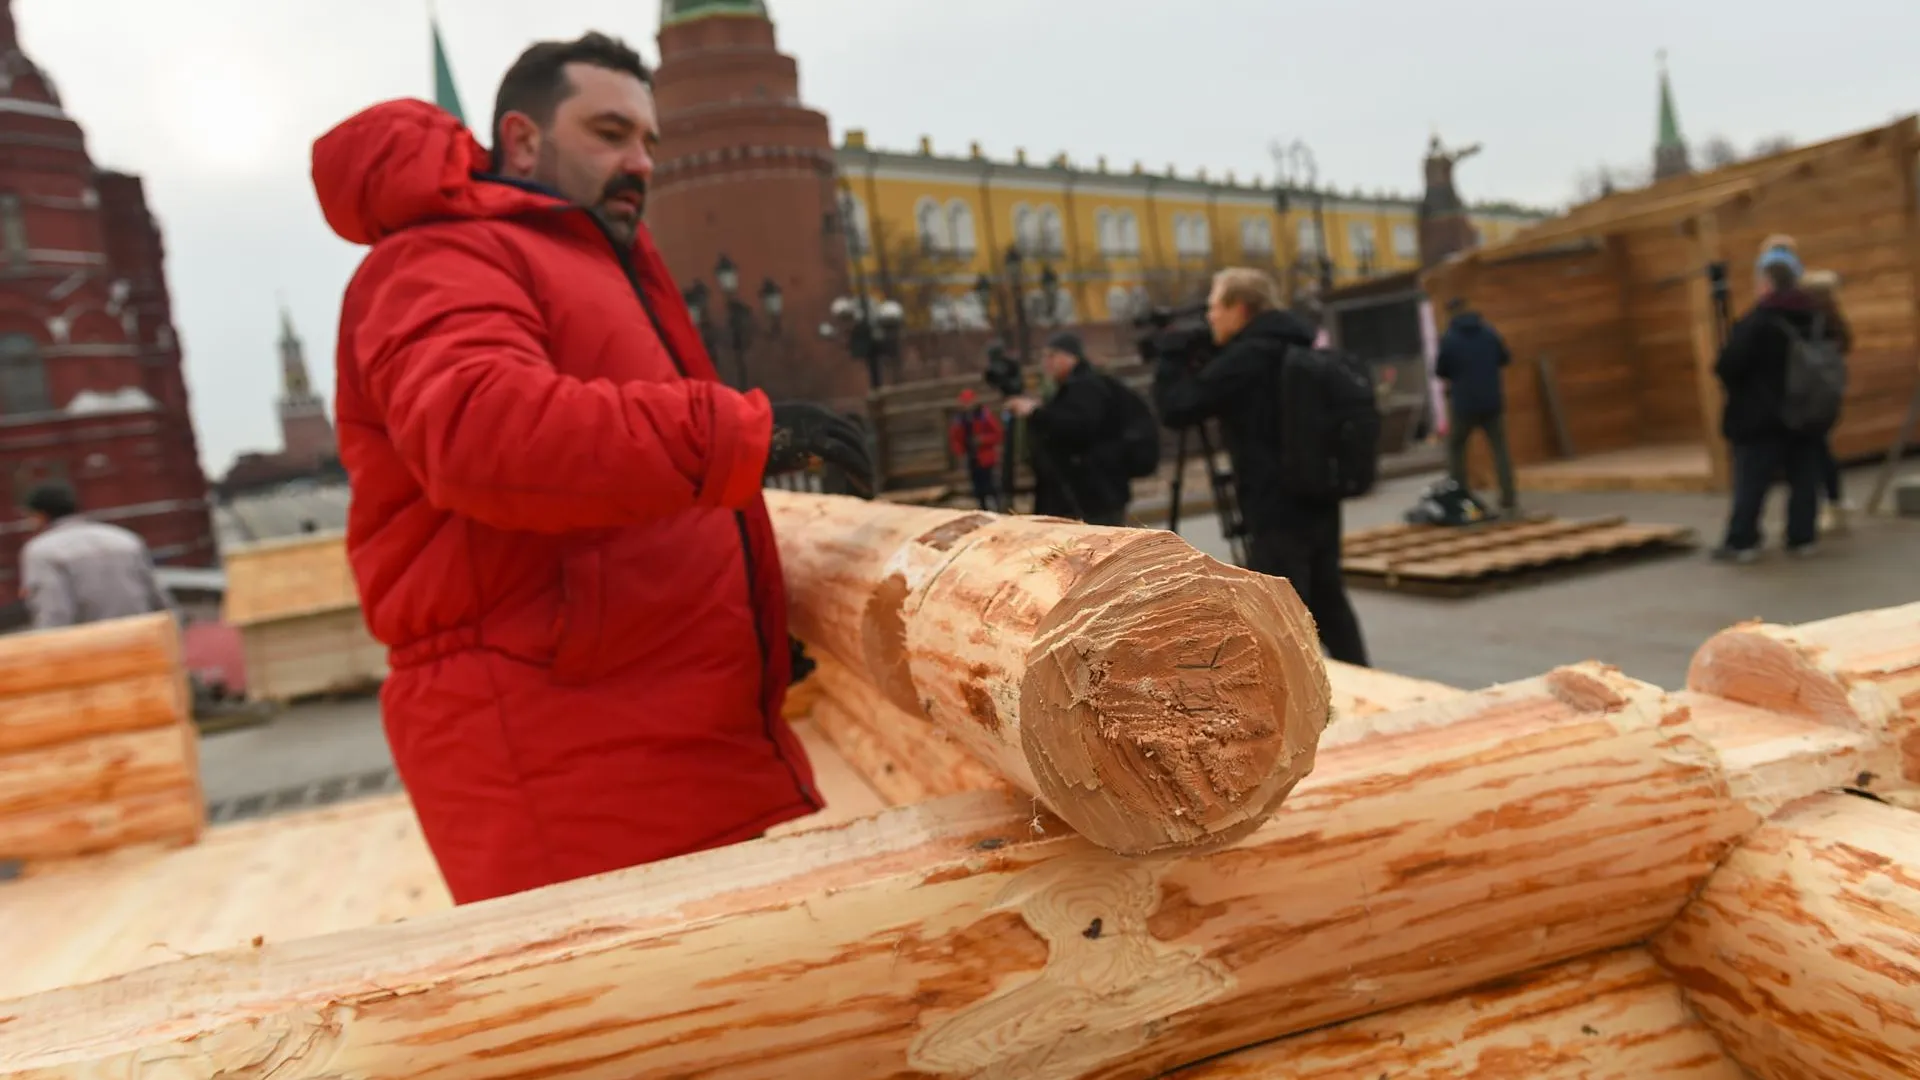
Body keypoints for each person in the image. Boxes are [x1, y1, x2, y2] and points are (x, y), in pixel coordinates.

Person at [309, 31, 873, 905]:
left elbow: (618, 517)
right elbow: (482, 431)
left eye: (650, 141)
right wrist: (734, 437)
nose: (639, 162)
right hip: (560, 761)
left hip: (642, 739)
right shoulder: (444, 255)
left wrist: (739, 635)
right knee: (649, 1027)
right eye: (610, 133)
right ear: (523, 138)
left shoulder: (582, 263)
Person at [1154, 268, 1369, 666]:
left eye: (1215, 308)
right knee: (1328, 598)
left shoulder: (1248, 358)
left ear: (1239, 308)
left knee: (1281, 612)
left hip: (1274, 503)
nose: (1210, 318)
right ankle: (1365, 685)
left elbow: (1178, 407)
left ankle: (1299, 705)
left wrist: (1169, 357)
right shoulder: (1293, 343)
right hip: (1317, 493)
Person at [1710, 243, 1834, 562]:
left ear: (1765, 281)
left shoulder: (1758, 322)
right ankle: (1802, 537)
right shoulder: (1816, 316)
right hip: (1807, 413)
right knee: (1805, 479)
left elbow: (1728, 365)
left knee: (1752, 483)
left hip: (1761, 417)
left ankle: (1743, 541)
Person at [1006, 332, 1132, 526]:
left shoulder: (1085, 386)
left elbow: (1077, 428)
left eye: (1052, 355)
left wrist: (1035, 413)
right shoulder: (1070, 387)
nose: (1046, 362)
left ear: (1070, 357)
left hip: (1094, 492)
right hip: (1080, 492)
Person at [17, 481, 172, 630]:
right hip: (142, 639)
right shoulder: (124, 538)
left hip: (91, 647)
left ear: (40, 515)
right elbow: (157, 597)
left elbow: (55, 612)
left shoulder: (42, 551)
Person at [1434, 297, 1517, 513]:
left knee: (1456, 447)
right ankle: (1508, 496)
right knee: (1500, 449)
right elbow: (1505, 358)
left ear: (1450, 314)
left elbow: (1440, 370)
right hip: (1492, 401)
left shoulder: (1450, 339)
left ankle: (1460, 496)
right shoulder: (1489, 333)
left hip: (1464, 404)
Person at [1800, 268, 1852, 534]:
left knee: (1815, 451)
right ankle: (1834, 504)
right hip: (1829, 394)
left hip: (1810, 394)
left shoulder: (1810, 322)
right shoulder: (1835, 320)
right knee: (1822, 449)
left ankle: (1825, 506)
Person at [948, 389, 1004, 511]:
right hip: (971, 457)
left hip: (985, 456)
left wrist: (982, 440)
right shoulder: (960, 420)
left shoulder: (983, 415)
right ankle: (983, 509)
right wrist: (960, 450)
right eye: (964, 402)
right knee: (977, 487)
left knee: (990, 484)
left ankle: (998, 508)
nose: (967, 405)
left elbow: (997, 434)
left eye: (968, 402)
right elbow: (955, 438)